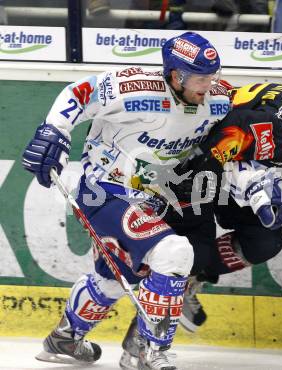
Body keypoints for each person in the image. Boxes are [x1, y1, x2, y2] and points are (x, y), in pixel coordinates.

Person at [118, 78, 282, 368]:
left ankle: (192, 280)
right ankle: (141, 339)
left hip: (234, 173)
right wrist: (224, 186)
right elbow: (217, 148)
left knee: (267, 240)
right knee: (191, 253)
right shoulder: (281, 123)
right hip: (199, 165)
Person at [22, 31, 230, 370]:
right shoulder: (135, 88)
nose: (207, 85)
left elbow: (248, 118)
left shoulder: (218, 99)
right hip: (104, 191)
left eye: (212, 76)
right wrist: (54, 130)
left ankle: (65, 337)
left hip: (152, 200)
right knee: (174, 251)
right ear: (175, 74)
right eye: (198, 78)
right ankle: (147, 351)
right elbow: (80, 91)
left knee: (114, 277)